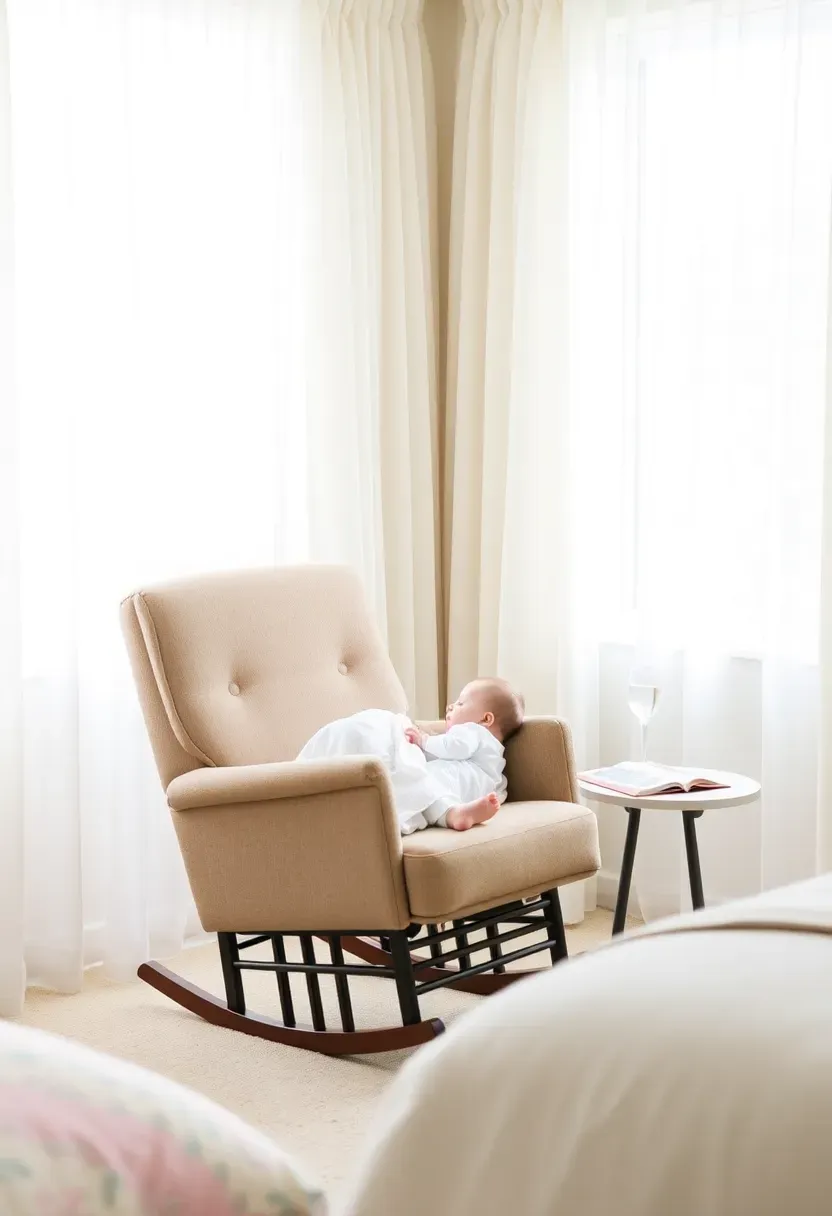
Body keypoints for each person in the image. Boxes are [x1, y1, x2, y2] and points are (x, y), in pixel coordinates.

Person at [296, 678, 525, 834]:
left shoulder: (474, 733)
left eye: (461, 703)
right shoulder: (492, 759)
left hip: (460, 780)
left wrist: (424, 740)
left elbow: (454, 746)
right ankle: (453, 815)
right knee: (428, 795)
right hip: (469, 787)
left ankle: (454, 814)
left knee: (422, 786)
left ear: (486, 719)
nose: (450, 706)